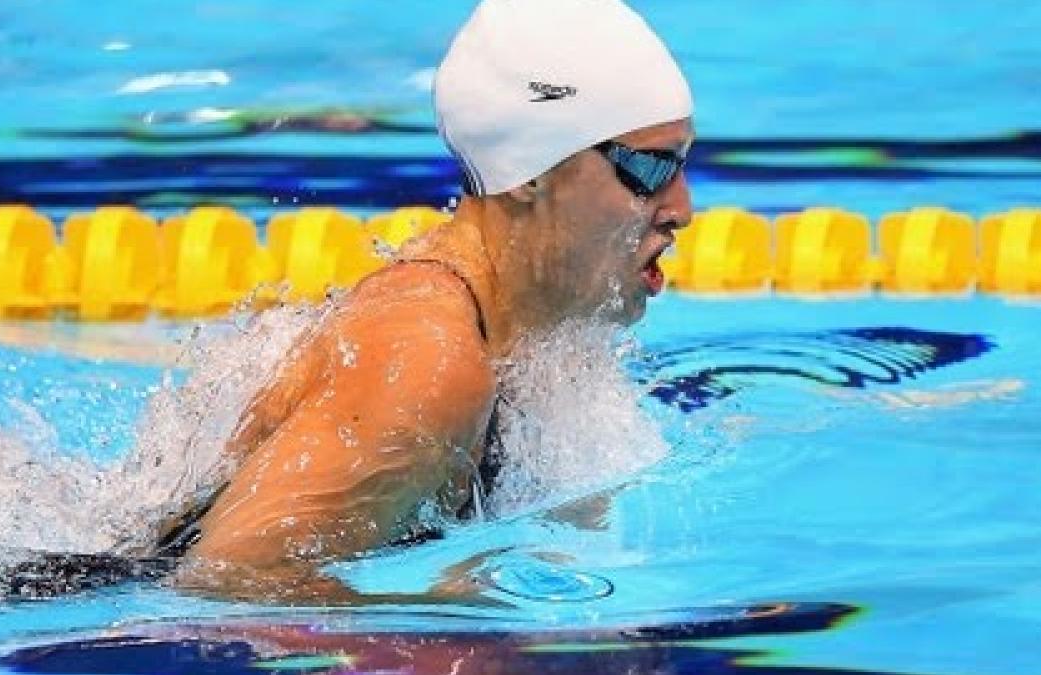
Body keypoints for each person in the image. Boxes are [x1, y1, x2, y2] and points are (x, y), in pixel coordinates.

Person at [168, 0, 695, 601]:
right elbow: (226, 585)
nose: (681, 209)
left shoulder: (528, 330)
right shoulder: (428, 361)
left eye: (683, 164)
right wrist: (466, 635)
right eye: (651, 169)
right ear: (531, 170)